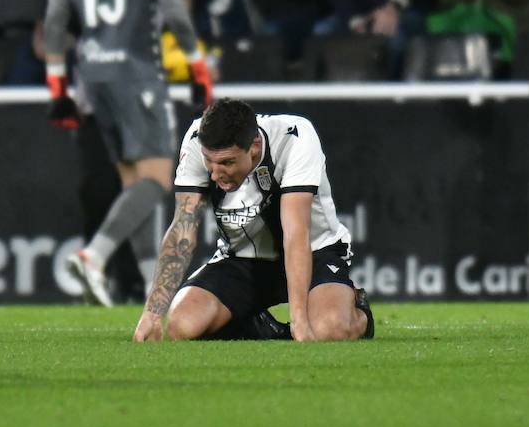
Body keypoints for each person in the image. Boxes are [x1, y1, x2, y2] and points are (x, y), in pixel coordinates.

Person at [43, 0, 213, 305]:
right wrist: (198, 66)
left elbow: (56, 19)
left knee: (133, 183)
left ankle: (155, 293)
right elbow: (174, 9)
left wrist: (59, 86)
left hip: (91, 73)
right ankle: (93, 256)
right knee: (158, 179)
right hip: (136, 69)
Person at [133, 98, 373, 343]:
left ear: (255, 146)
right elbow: (182, 229)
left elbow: (295, 233)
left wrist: (299, 323)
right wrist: (152, 314)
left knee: (330, 329)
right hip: (241, 259)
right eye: (209, 161)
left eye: (227, 162)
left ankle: (359, 310)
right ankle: (259, 323)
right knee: (182, 326)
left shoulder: (295, 137)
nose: (215, 174)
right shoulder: (197, 138)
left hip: (313, 252)